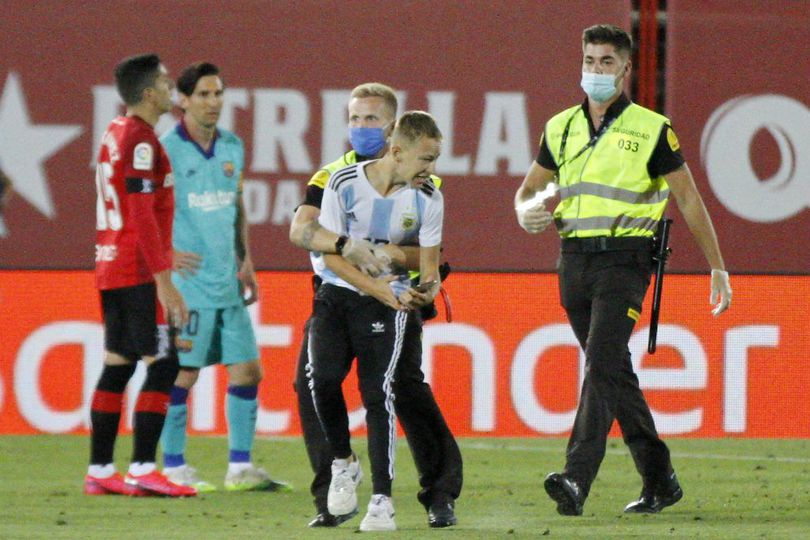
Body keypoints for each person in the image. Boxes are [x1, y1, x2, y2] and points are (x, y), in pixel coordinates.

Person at [514, 24, 732, 516]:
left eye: (606, 62)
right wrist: (523, 209)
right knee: (613, 370)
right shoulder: (560, 126)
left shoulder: (652, 129)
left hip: (626, 260)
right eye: (589, 60)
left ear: (627, 68)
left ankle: (576, 476)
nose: (595, 70)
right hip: (573, 260)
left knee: (599, 364)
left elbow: (689, 197)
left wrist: (717, 266)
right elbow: (529, 189)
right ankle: (660, 478)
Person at [289, 84, 461, 529]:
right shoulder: (333, 177)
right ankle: (332, 494)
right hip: (337, 291)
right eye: (354, 118)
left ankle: (438, 493)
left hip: (394, 300)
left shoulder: (422, 180)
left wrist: (383, 253)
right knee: (312, 384)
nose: (360, 128)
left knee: (405, 388)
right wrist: (351, 246)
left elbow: (426, 257)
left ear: (393, 130)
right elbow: (303, 231)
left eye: (371, 119)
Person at [158, 62, 289, 493]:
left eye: (218, 94)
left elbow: (236, 208)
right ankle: (173, 465)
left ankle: (239, 468)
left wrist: (246, 258)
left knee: (248, 370)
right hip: (189, 282)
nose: (213, 103)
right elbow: (142, 210)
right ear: (182, 100)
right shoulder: (165, 149)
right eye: (203, 95)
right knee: (183, 374)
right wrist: (165, 254)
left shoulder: (232, 145)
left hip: (226, 278)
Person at [85, 53, 195, 497]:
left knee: (120, 362)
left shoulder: (116, 131)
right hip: (136, 269)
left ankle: (99, 469)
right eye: (167, 84)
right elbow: (141, 213)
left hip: (111, 262)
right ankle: (144, 467)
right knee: (165, 363)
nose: (173, 90)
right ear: (149, 93)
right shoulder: (142, 140)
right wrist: (164, 280)